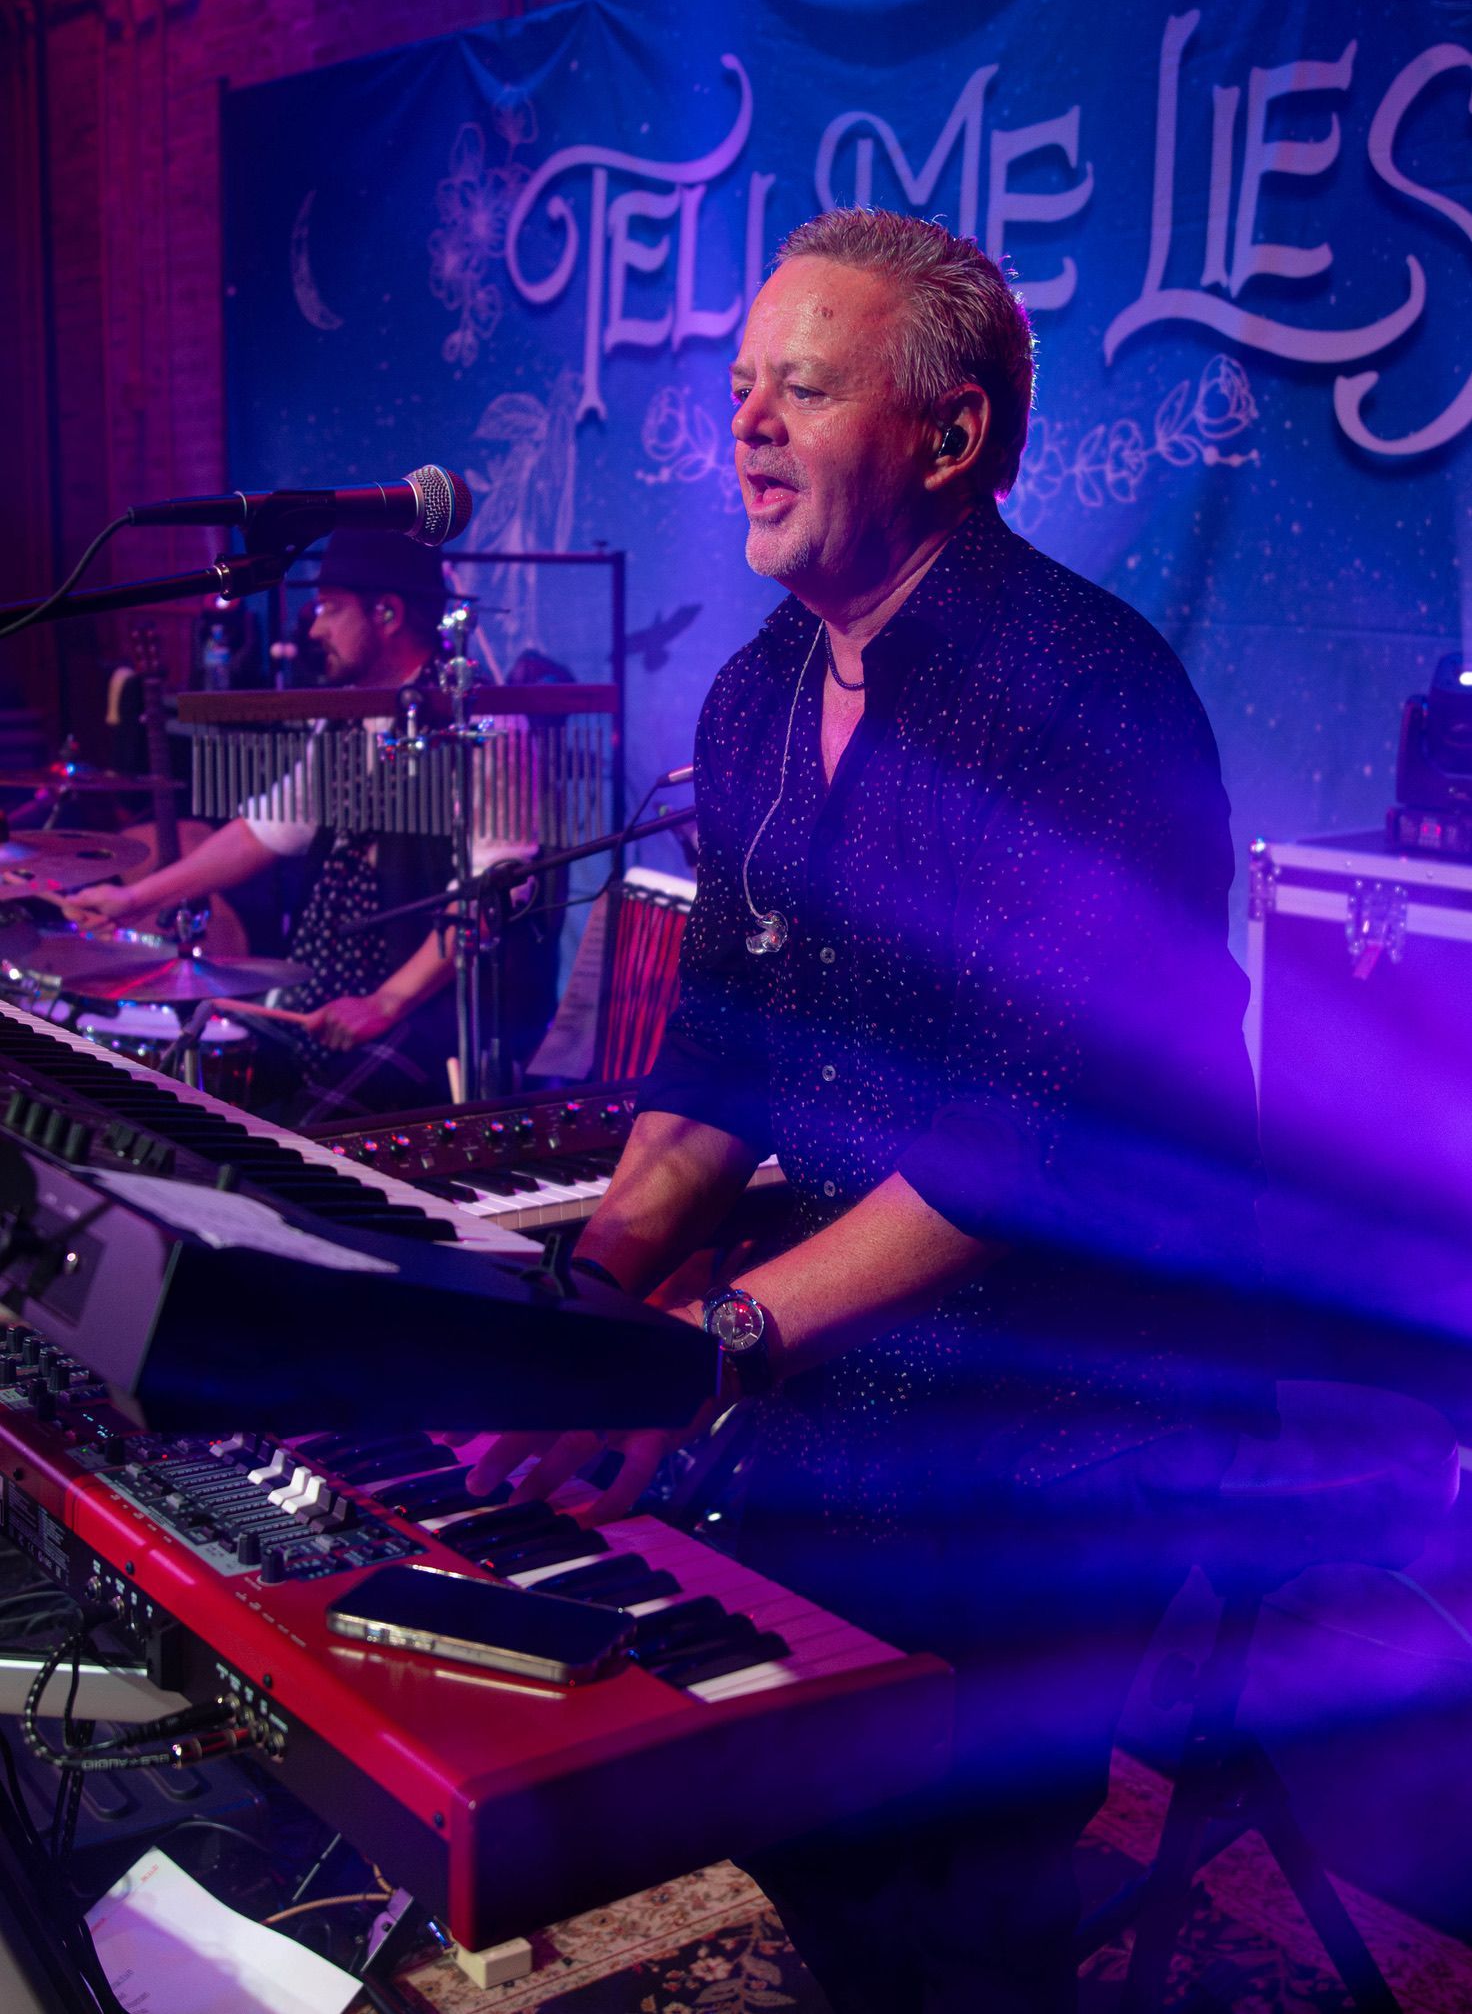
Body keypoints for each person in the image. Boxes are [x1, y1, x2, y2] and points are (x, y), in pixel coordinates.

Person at [467, 210, 1263, 2012]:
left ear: (948, 436)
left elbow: (1029, 1143)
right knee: (780, 1793)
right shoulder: (754, 697)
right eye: (740, 387)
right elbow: (716, 1072)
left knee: (945, 1894)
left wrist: (718, 1340)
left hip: (1076, 1401)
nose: (745, 425)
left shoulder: (1085, 694)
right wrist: (586, 1311)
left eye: (803, 390)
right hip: (853, 1366)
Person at [63, 531, 555, 1122]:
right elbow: (267, 828)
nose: (314, 628)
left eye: (329, 608)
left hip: (432, 1016)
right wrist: (130, 898)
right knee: (198, 1090)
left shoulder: (486, 725)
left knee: (298, 1131)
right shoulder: (346, 718)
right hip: (324, 996)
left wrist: (386, 1002)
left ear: (387, 614)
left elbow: (497, 889)